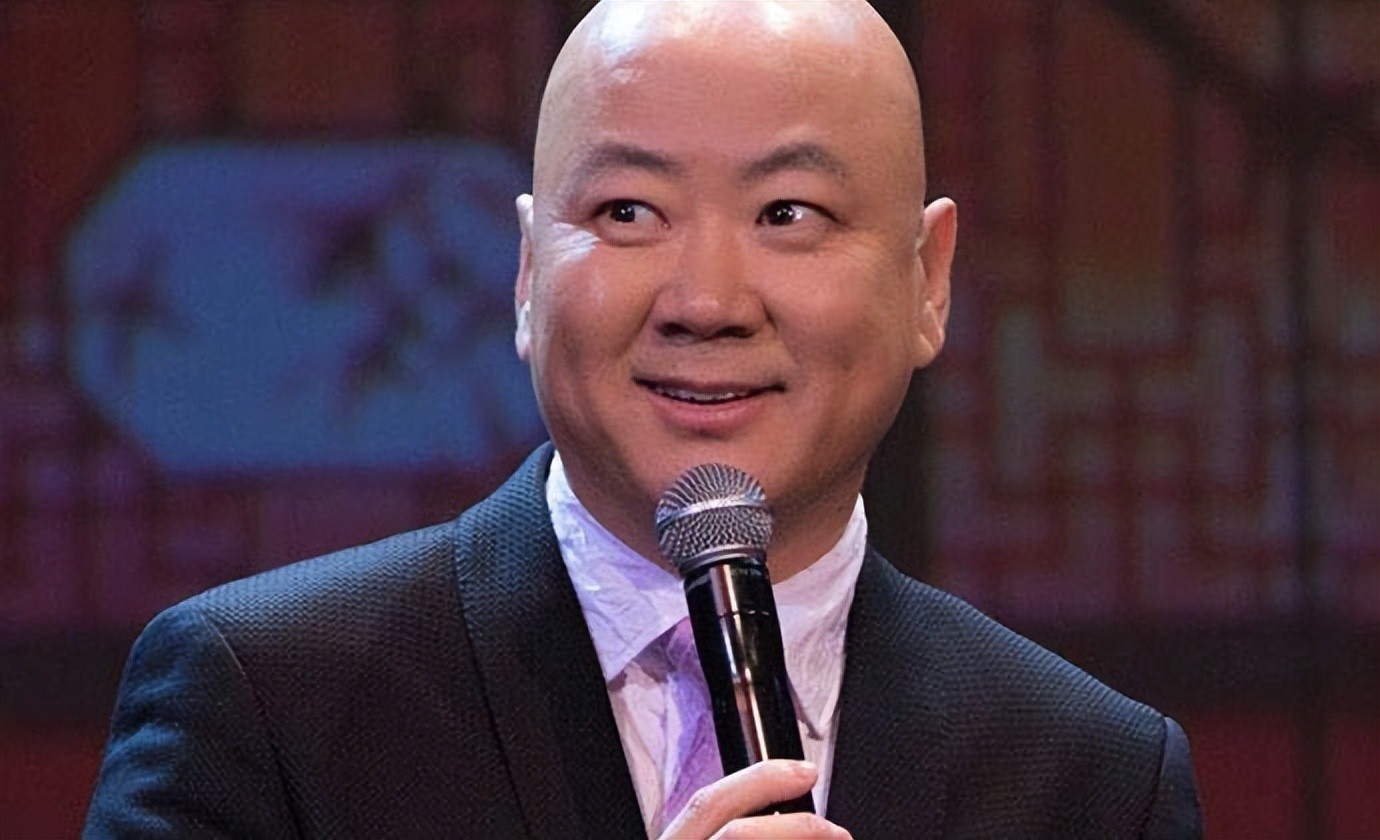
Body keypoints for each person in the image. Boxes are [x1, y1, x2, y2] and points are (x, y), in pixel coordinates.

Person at [84, 1, 1202, 838]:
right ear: (529, 271)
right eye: (628, 211)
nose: (706, 301)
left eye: (789, 213)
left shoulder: (1090, 779)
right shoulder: (268, 704)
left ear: (928, 279)